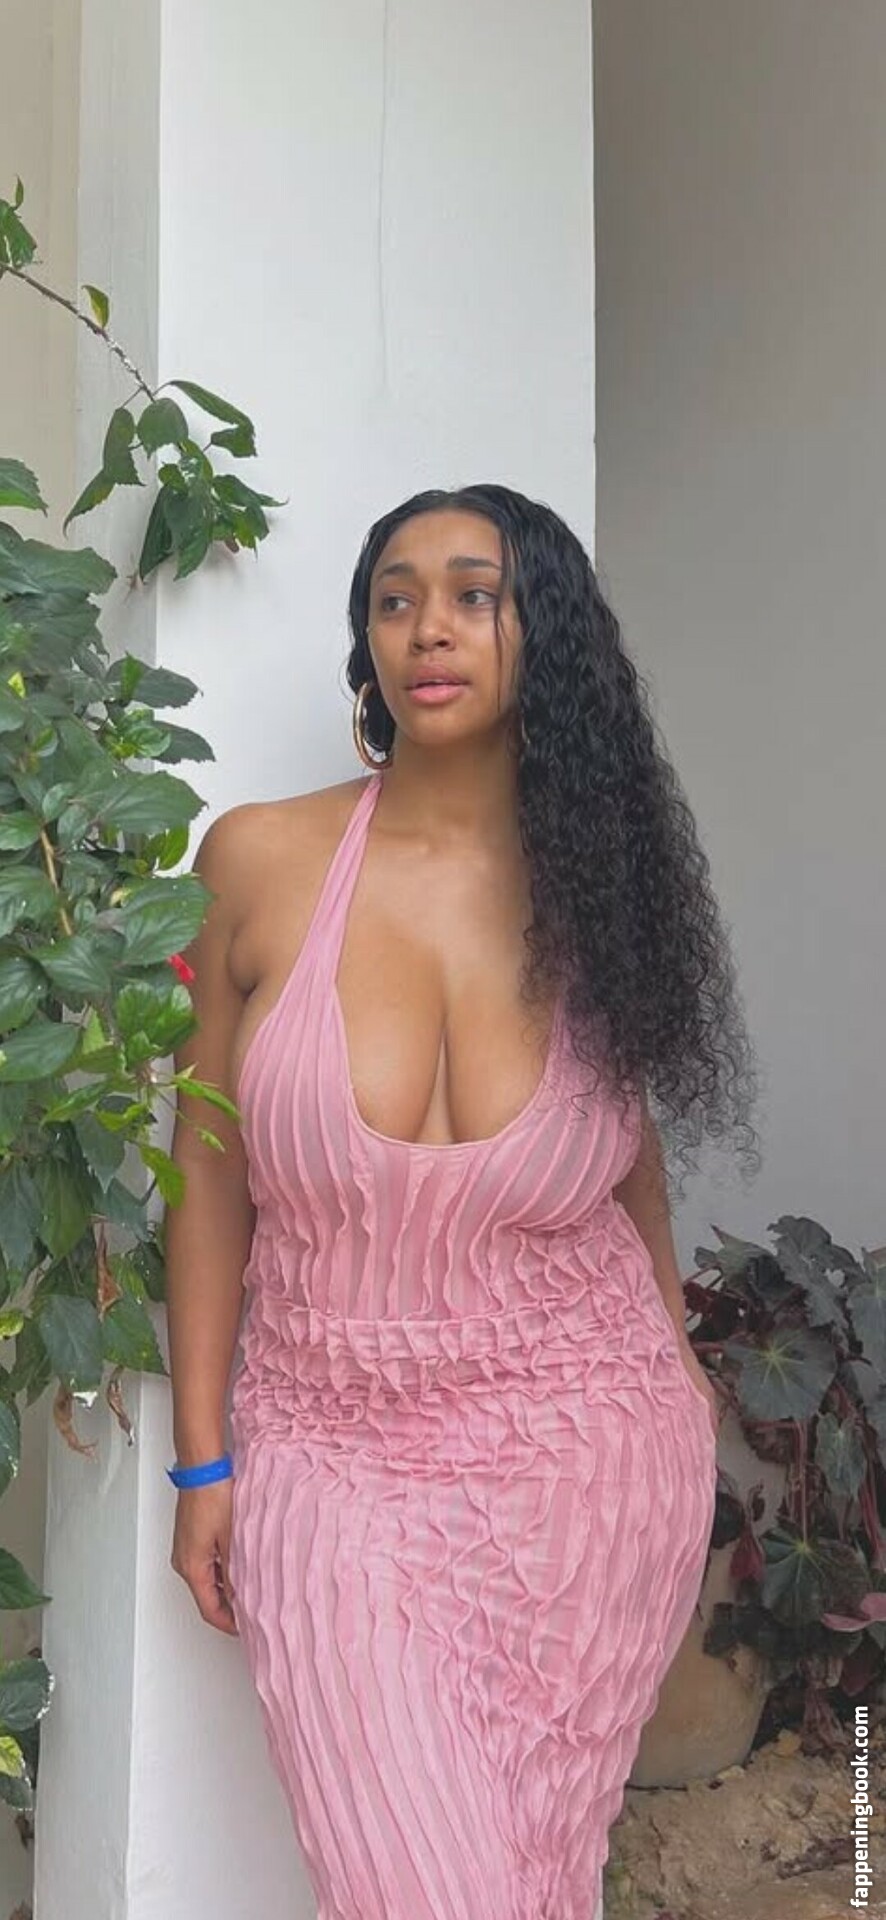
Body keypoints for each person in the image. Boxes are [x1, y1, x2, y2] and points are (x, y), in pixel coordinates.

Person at [164, 482, 759, 1920]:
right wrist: (201, 1463)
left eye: (474, 595)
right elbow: (206, 1169)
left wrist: (677, 1359)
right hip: (335, 1458)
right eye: (394, 598)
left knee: (539, 1878)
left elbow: (621, 1152)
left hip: (587, 1465)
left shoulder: (599, 889)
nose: (427, 628)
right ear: (365, 641)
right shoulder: (254, 860)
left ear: (542, 633)